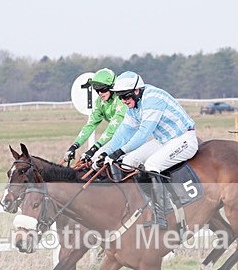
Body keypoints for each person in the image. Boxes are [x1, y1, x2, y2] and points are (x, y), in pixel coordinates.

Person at [96, 71, 198, 228]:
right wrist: (104, 152)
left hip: (184, 139)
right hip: (163, 141)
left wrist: (118, 152)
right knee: (127, 162)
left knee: (151, 165)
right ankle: (145, 205)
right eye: (120, 97)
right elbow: (122, 134)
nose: (123, 101)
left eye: (126, 96)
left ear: (136, 91)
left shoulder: (152, 99)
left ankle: (162, 217)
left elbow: (143, 134)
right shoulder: (133, 105)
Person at [65, 68, 127, 163]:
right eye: (97, 90)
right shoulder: (99, 102)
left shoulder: (121, 99)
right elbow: (90, 125)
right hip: (117, 139)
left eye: (103, 89)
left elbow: (112, 128)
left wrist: (94, 148)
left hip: (132, 138)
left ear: (112, 86)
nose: (100, 93)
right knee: (92, 162)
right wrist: (74, 146)